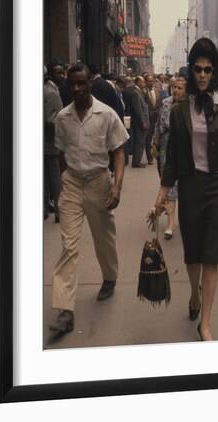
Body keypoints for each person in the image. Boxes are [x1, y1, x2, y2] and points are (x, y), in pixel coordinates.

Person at [155, 38, 218, 341]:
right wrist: (162, 192)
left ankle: (205, 323)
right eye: (197, 69)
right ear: (191, 70)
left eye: (207, 70)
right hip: (190, 187)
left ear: (214, 72)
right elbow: (172, 158)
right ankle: (194, 295)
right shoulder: (178, 110)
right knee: (192, 254)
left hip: (216, 188)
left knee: (211, 256)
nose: (202, 75)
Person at [49, 63, 129, 338]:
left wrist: (116, 186)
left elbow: (119, 151)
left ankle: (109, 276)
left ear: (89, 85)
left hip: (98, 182)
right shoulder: (62, 117)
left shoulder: (106, 115)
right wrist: (64, 182)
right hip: (72, 183)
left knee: (103, 238)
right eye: (72, 84)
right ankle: (64, 310)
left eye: (81, 84)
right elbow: (61, 152)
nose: (76, 88)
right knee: (68, 246)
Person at [153, 76, 187, 240]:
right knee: (169, 184)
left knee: (185, 187)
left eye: (180, 88)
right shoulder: (166, 102)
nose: (176, 91)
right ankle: (170, 223)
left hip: (185, 148)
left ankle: (185, 221)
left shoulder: (190, 105)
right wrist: (156, 141)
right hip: (167, 147)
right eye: (174, 87)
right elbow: (159, 123)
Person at [44, 65, 63, 223]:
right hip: (51, 143)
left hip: (48, 144)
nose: (62, 75)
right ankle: (59, 211)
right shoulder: (51, 92)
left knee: (46, 179)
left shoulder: (51, 89)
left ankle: (45, 208)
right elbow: (49, 119)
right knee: (55, 180)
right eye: (58, 72)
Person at [143, 73, 162, 165]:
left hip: (157, 117)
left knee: (158, 137)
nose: (151, 83)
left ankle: (158, 156)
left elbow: (160, 103)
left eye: (152, 81)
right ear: (146, 82)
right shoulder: (143, 92)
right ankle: (149, 158)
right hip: (148, 118)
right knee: (148, 138)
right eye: (149, 81)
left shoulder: (158, 90)